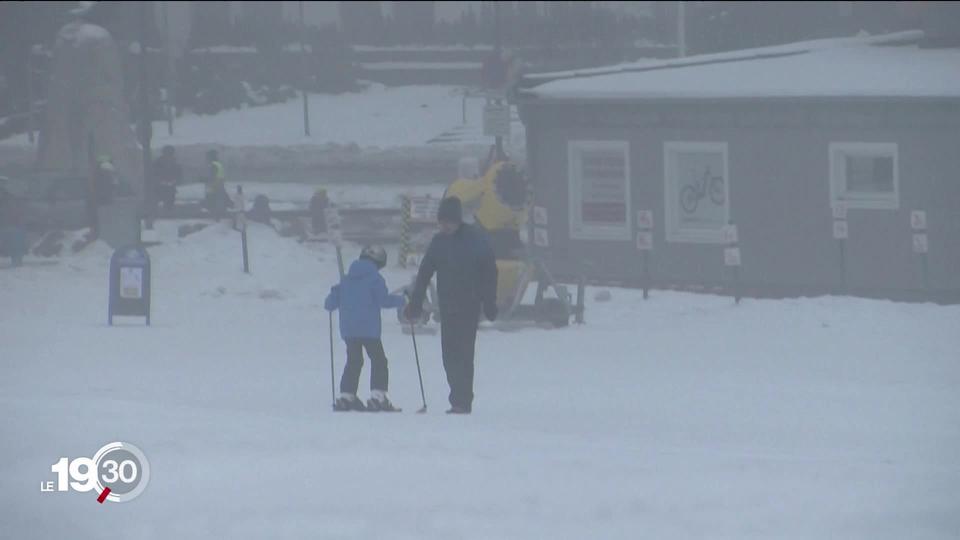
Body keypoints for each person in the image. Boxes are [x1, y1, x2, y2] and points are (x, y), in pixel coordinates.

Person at [404, 197, 498, 414]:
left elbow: (489, 272)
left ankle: (462, 401)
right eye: (442, 222)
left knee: (464, 355)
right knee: (449, 356)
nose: (445, 226)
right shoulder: (438, 242)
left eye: (449, 222)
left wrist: (489, 301)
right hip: (447, 306)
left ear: (457, 221)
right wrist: (416, 302)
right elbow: (425, 272)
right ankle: (458, 397)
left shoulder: (475, 240)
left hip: (469, 305)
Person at [325, 246, 406, 412]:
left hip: (349, 330)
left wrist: (335, 293)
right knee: (379, 360)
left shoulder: (346, 279)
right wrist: (403, 300)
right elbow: (383, 300)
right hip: (369, 329)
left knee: (354, 361)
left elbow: (329, 304)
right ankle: (377, 397)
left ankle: (347, 396)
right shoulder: (375, 279)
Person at [152, 145, 182, 215]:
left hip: (170, 189)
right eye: (167, 153)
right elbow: (153, 175)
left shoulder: (175, 163)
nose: (169, 155)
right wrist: (161, 182)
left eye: (170, 153)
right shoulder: (157, 163)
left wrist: (174, 181)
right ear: (163, 153)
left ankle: (168, 213)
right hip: (158, 188)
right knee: (154, 206)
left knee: (169, 207)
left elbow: (179, 175)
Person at [203, 149, 230, 220]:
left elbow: (212, 176)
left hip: (215, 185)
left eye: (207, 157)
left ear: (210, 157)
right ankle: (221, 213)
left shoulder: (213, 165)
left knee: (213, 202)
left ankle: (217, 217)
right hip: (219, 184)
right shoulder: (218, 164)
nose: (206, 159)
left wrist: (204, 179)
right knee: (220, 199)